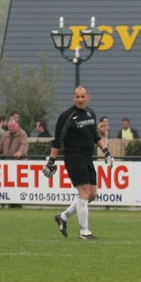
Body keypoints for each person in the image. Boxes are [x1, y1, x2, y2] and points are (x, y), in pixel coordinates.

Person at [44, 86, 113, 240]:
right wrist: (51, 161)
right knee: (84, 192)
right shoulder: (66, 116)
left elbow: (95, 137)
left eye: (83, 96)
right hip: (74, 157)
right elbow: (57, 141)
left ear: (88, 97)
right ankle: (84, 232)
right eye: (77, 97)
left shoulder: (91, 114)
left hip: (88, 158)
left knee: (92, 195)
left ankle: (63, 217)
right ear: (73, 98)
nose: (80, 99)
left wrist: (106, 151)